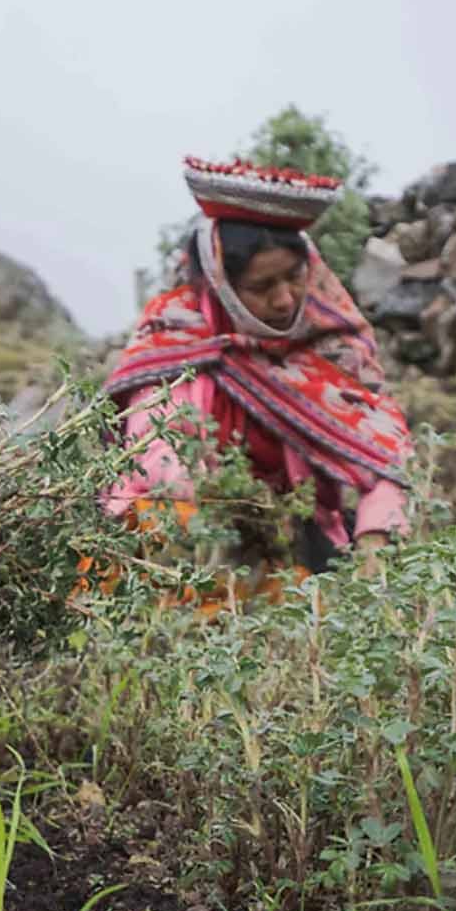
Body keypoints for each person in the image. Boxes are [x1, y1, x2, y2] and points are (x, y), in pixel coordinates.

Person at [96, 157, 413, 600]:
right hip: (191, 528)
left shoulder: (331, 346)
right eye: (262, 287)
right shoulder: (176, 335)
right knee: (159, 541)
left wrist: (375, 541)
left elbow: (386, 460)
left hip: (292, 538)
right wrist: (235, 506)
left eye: (294, 278)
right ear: (222, 286)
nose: (285, 300)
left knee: (338, 594)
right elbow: (155, 455)